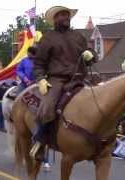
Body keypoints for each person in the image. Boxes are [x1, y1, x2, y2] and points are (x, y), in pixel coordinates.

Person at [31, 6, 98, 159]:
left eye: (67, 15)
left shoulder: (78, 36)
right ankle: (40, 141)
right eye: (61, 15)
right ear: (55, 19)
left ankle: (100, 140)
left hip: (80, 78)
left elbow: (92, 54)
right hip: (57, 79)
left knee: (99, 101)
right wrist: (41, 79)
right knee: (47, 107)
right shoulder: (48, 38)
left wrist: (90, 55)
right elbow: (39, 63)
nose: (65, 17)